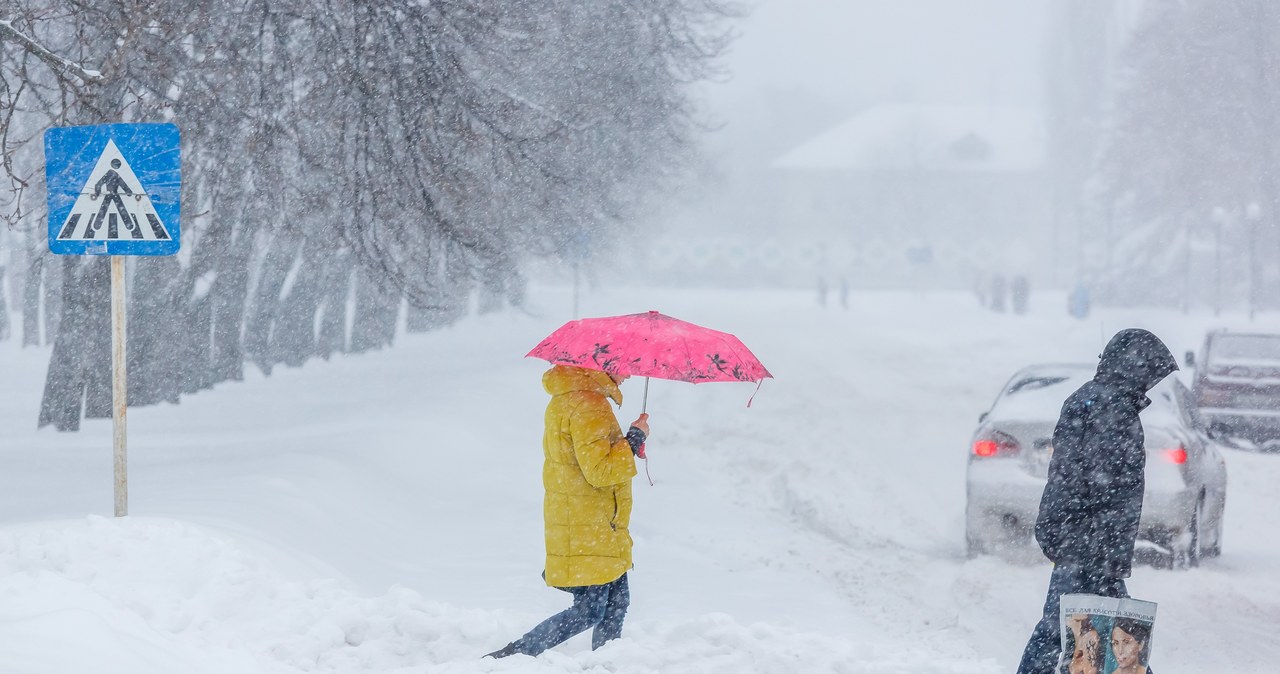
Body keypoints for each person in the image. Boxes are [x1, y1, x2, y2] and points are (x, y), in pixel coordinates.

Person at [1016, 328, 1176, 674]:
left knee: (1075, 630)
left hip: (1083, 541)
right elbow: (1102, 486)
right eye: (1151, 373)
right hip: (1090, 543)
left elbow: (1081, 480)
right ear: (1135, 369)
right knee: (1075, 632)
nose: (1151, 383)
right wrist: (1105, 548)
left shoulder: (1094, 399)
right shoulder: (1110, 408)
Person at [485, 364, 650, 658]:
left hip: (584, 517)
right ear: (607, 365)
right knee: (591, 610)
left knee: (616, 602)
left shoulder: (569, 397)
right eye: (626, 367)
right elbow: (600, 471)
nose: (630, 375)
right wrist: (634, 439)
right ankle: (515, 655)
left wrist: (626, 444)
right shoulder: (589, 405)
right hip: (590, 521)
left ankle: (607, 662)